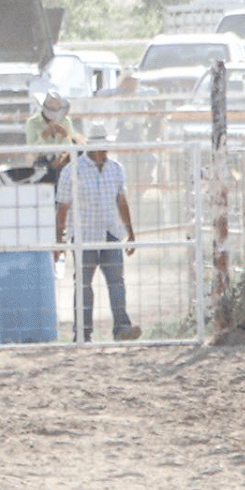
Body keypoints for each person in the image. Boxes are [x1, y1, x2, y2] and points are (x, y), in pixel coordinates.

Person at [53, 125, 142, 342]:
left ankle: (121, 327)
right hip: (84, 235)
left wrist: (130, 232)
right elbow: (62, 208)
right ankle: (82, 333)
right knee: (84, 285)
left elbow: (121, 201)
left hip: (110, 231)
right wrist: (60, 240)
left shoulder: (116, 168)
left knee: (116, 281)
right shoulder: (71, 171)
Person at [26, 91, 82, 184]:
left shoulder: (66, 121)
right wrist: (43, 137)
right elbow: (32, 152)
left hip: (62, 160)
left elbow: (69, 146)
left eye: (56, 106)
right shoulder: (32, 122)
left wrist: (65, 135)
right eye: (51, 105)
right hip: (42, 161)